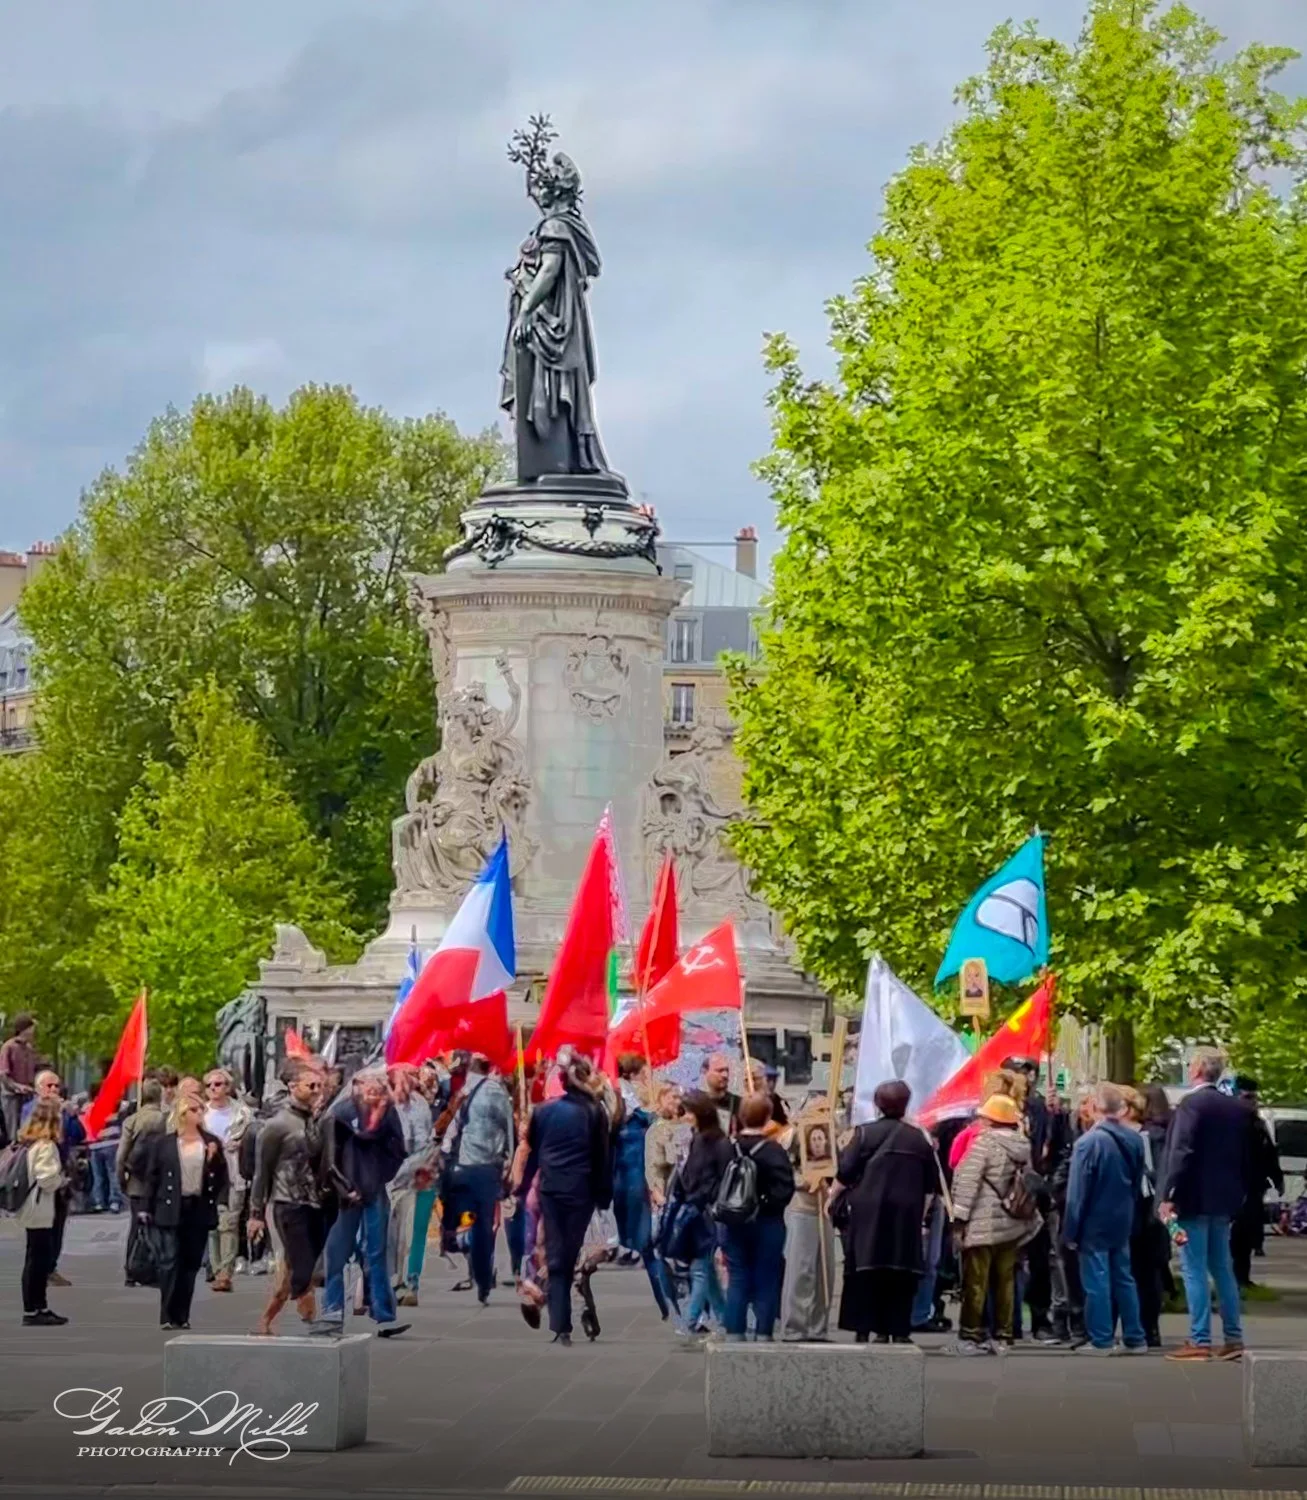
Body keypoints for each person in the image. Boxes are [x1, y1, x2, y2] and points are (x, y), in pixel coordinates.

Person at [1160, 1047, 1254, 1361]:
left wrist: (1168, 1194)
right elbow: (1245, 1158)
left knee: (1193, 1268)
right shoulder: (1237, 1109)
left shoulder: (1191, 1106)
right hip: (1224, 1199)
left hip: (1192, 1198)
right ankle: (1233, 1337)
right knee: (1223, 1269)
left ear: (1197, 1069)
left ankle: (1200, 1339)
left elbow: (1181, 1152)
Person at [831, 1080, 938, 1344]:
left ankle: (865, 1327)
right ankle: (897, 1329)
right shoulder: (919, 1140)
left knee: (866, 1270)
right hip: (905, 1215)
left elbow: (845, 1172)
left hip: (868, 1214)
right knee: (900, 1272)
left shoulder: (865, 1134)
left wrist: (832, 1199)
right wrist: (920, 1216)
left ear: (878, 1104)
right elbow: (930, 1186)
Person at [523, 1053, 613, 1344]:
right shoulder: (594, 1111)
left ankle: (560, 1323)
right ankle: (562, 1320)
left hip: (551, 1188)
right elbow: (602, 1156)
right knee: (567, 1253)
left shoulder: (543, 1111)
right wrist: (603, 1196)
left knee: (556, 1250)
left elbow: (535, 1150)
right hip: (581, 1189)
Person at [313, 1069, 409, 1338]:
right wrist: (344, 1188)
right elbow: (329, 1159)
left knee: (376, 1252)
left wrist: (381, 1175)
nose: (374, 1091)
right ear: (356, 1086)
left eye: (378, 1086)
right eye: (369, 1085)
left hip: (372, 1190)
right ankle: (333, 1312)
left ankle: (383, 1314)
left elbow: (398, 1150)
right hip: (347, 1195)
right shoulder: (340, 1114)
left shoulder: (386, 1113)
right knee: (338, 1254)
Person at [949, 1093, 1042, 1355]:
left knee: (976, 1281)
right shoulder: (1022, 1145)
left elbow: (968, 1182)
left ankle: (970, 1334)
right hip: (1012, 1222)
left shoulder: (983, 1145)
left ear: (991, 1119)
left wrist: (959, 1218)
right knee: (1005, 1281)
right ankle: (1004, 1335)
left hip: (983, 1222)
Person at [1063, 1083, 1148, 1355]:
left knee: (1096, 1281)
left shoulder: (1088, 1143)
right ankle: (1135, 1336)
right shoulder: (1134, 1139)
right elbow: (1136, 1181)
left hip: (1094, 1221)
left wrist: (1071, 1231)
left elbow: (1078, 1192)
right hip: (1122, 1216)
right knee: (1124, 1277)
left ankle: (1101, 1339)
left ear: (1094, 1107)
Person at [248, 1056, 328, 1335]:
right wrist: (256, 1214)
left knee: (292, 1271)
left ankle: (266, 1320)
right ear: (294, 1087)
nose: (318, 1090)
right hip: (286, 1202)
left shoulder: (315, 1120)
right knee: (303, 1263)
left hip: (315, 1202)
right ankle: (309, 1313)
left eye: (320, 1085)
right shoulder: (277, 1125)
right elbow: (262, 1172)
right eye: (311, 1085)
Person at [135, 1094, 230, 1329]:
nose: (200, 1113)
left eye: (201, 1109)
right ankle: (167, 1313)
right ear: (183, 1114)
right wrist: (145, 1208)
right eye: (194, 1109)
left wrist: (213, 1162)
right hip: (169, 1206)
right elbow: (152, 1176)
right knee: (169, 1260)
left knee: (190, 1263)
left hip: (197, 1206)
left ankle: (182, 1315)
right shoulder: (165, 1143)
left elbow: (220, 1177)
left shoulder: (210, 1141)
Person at [718, 1093, 795, 1343]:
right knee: (767, 1277)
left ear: (741, 1116)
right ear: (767, 1117)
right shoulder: (774, 1151)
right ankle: (763, 1331)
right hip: (767, 1222)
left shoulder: (727, 1148)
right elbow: (785, 1189)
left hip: (732, 1221)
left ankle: (735, 1331)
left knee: (737, 1277)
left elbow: (714, 1185)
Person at [441, 1053, 515, 1306]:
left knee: (461, 1218)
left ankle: (466, 1259)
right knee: (484, 1225)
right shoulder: (496, 1091)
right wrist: (509, 1163)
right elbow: (508, 1130)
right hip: (486, 1169)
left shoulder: (462, 1091)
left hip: (460, 1165)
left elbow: (449, 1130)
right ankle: (482, 1279)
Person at [17, 1099, 69, 1326]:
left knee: (33, 1257)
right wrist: (61, 1180)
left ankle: (34, 1306)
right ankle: (36, 1307)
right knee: (39, 1260)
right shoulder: (46, 1146)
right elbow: (46, 1178)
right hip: (41, 1206)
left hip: (30, 1205)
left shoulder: (29, 1143)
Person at [388, 1063, 436, 1306]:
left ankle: (410, 1283)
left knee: (413, 1234)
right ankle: (386, 1283)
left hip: (415, 1179)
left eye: (413, 1075)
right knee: (387, 1236)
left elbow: (423, 1146)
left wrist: (400, 1173)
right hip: (387, 1179)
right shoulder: (383, 1101)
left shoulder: (418, 1105)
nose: (412, 1079)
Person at [202, 1068, 252, 1293]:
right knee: (211, 1225)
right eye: (210, 1085)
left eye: (219, 1084)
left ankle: (225, 1272)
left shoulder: (242, 1112)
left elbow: (253, 1140)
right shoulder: (200, 1112)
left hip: (233, 1173)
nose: (214, 1088)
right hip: (206, 1173)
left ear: (228, 1087)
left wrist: (241, 1146)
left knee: (229, 1222)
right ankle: (215, 1267)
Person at [1230, 1075, 1283, 1289]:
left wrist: (1277, 1179)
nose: (1252, 1102)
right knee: (1236, 1233)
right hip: (1233, 1184)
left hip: (1253, 1185)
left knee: (1248, 1231)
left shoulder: (1257, 1124)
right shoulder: (1231, 1122)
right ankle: (1235, 1276)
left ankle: (1242, 1275)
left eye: (1253, 1098)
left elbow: (1269, 1152)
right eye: (1248, 1097)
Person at [117, 1079, 166, 1286]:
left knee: (136, 1227)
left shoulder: (133, 1121)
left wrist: (121, 1180)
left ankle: (132, 1269)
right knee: (158, 1227)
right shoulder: (167, 1120)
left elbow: (120, 1156)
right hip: (161, 1182)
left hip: (137, 1182)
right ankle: (154, 1268)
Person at [0, 1013, 38, 1147]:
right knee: (14, 1133)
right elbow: (3, 1074)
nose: (33, 1031)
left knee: (27, 1131)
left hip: (27, 1095)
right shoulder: (8, 1047)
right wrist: (17, 1087)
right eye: (31, 1028)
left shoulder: (29, 1049)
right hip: (12, 1097)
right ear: (24, 1028)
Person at [700, 1053, 740, 1136]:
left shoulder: (739, 1103)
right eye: (719, 1071)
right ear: (705, 1071)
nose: (725, 1075)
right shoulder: (696, 1103)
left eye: (726, 1070)